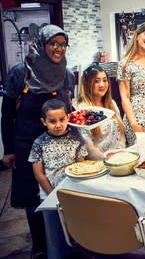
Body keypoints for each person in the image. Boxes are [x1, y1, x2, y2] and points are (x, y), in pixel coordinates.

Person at [1, 24, 75, 258]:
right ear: (42, 44)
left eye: (62, 44)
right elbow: (7, 114)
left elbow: (68, 108)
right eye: (53, 43)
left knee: (61, 189)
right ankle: (40, 246)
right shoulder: (20, 72)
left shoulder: (66, 73)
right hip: (26, 141)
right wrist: (9, 149)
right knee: (33, 194)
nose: (58, 48)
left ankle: (65, 238)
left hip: (59, 143)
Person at [29, 99, 87, 259]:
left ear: (68, 118)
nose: (58, 125)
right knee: (55, 236)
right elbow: (39, 174)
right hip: (49, 197)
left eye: (62, 120)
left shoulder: (77, 139)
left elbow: (81, 167)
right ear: (44, 121)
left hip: (73, 195)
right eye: (52, 121)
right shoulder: (39, 143)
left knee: (77, 232)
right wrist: (53, 195)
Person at [76, 64, 126, 160]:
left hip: (119, 159)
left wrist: (120, 153)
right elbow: (88, 147)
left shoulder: (112, 103)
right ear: (87, 84)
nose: (102, 85)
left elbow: (121, 134)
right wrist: (106, 160)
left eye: (105, 80)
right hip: (99, 163)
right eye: (96, 81)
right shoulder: (82, 111)